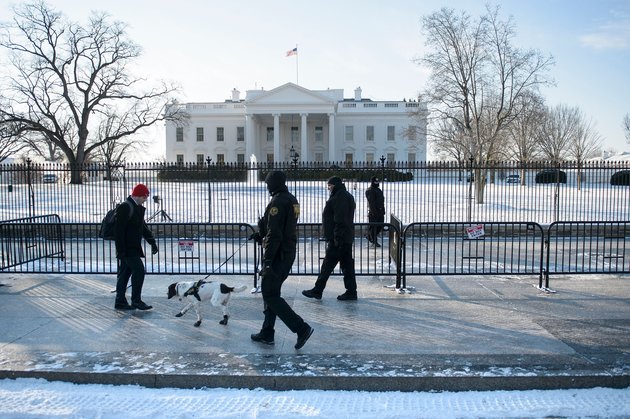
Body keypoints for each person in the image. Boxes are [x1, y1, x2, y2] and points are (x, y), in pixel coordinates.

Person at [250, 171, 314, 350]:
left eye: (268, 183)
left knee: (269, 294)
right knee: (272, 294)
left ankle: (301, 328)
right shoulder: (291, 199)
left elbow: (275, 233)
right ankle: (267, 333)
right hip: (287, 252)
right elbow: (279, 225)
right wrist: (260, 233)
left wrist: (268, 260)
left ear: (274, 184)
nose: (267, 186)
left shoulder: (278, 202)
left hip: (278, 255)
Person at [302, 176, 357, 301]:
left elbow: (340, 219)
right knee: (347, 265)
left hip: (339, 239)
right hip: (344, 237)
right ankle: (351, 291)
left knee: (327, 265)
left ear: (335, 185)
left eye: (330, 185)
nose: (328, 188)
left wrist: (337, 237)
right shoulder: (343, 195)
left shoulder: (340, 197)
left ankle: (318, 290)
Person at [113, 183, 159, 311]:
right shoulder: (125, 207)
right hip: (127, 248)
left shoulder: (136, 207)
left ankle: (120, 301)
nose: (145, 200)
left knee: (124, 274)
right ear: (138, 195)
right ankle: (136, 301)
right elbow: (119, 231)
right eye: (144, 197)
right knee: (138, 271)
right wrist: (120, 250)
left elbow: (142, 227)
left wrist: (152, 242)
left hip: (132, 247)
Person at [365, 176, 385, 247]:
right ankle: (374, 240)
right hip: (374, 213)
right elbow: (371, 202)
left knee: (380, 226)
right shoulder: (370, 190)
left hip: (380, 212)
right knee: (374, 227)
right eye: (375, 181)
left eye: (377, 181)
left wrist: (382, 210)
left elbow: (381, 201)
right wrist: (374, 212)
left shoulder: (378, 190)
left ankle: (369, 236)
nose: (377, 183)